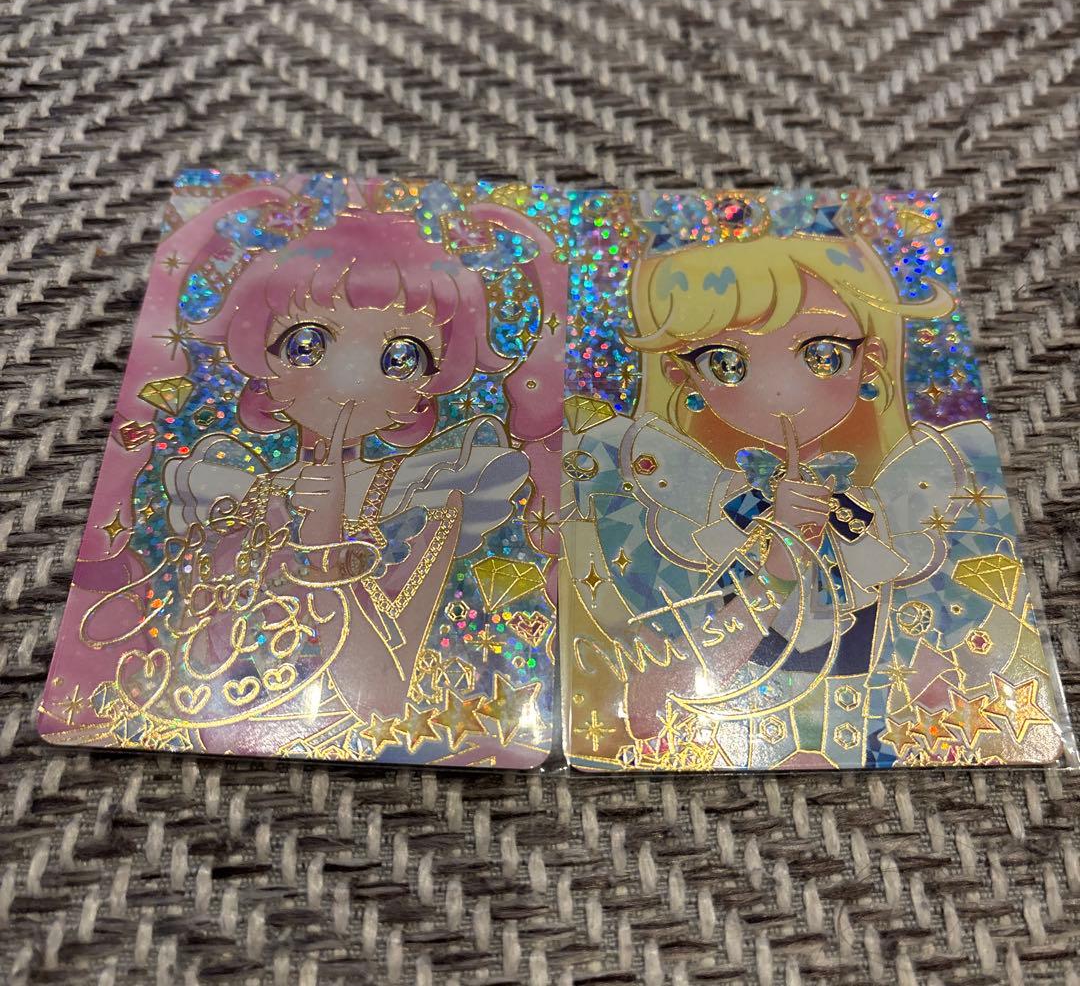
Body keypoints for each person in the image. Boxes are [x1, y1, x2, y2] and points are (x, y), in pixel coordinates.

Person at [40, 178, 563, 764]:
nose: (351, 380)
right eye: (306, 344)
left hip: (345, 742)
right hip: (204, 735)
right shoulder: (237, 491)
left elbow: (385, 701)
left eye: (400, 358)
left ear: (429, 385)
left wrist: (325, 538)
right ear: (258, 356)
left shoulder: (430, 496)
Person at [562, 199, 1060, 769]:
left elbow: (950, 669)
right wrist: (778, 560)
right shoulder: (686, 505)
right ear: (683, 375)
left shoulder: (910, 497)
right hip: (728, 732)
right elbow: (660, 700)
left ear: (870, 359)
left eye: (822, 354)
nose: (778, 390)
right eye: (726, 362)